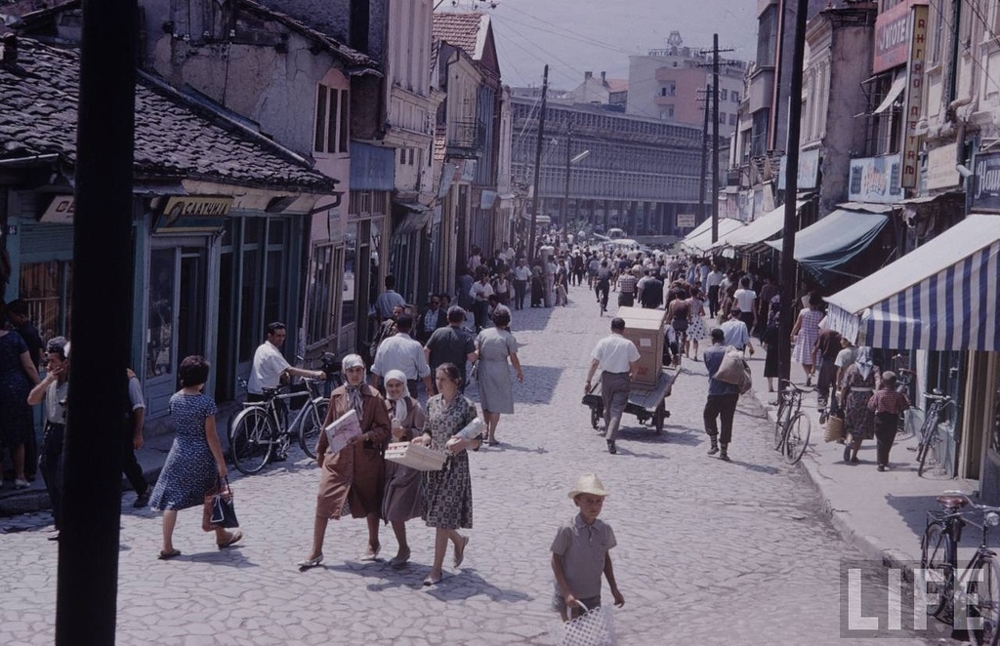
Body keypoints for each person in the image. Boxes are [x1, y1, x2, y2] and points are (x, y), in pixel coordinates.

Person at [298, 354, 392, 568]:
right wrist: (320, 450)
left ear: (364, 371)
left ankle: (373, 542)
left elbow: (384, 428)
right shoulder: (337, 395)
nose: (355, 374)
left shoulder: (375, 397)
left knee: (370, 501)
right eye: (351, 371)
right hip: (338, 458)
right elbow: (328, 424)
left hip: (365, 460)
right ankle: (316, 551)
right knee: (324, 497)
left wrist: (366, 436)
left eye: (359, 370)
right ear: (344, 373)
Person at [148, 355, 241, 559]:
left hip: (179, 451)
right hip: (201, 453)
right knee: (214, 494)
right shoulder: (205, 403)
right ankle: (221, 535)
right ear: (203, 378)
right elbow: (211, 436)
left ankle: (167, 545)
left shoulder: (174, 399)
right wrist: (221, 462)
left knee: (172, 500)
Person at [410, 363, 481, 585]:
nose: (438, 383)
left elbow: (478, 441)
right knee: (437, 514)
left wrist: (466, 443)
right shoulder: (431, 403)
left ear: (455, 381)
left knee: (441, 518)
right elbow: (428, 431)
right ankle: (458, 541)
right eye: (437, 378)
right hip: (433, 465)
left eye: (443, 379)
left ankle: (436, 570)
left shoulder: (467, 406)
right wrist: (424, 439)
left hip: (454, 467)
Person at [551, 473, 624, 622]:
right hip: (570, 597)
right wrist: (566, 592)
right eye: (589, 501)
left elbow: (605, 559)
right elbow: (556, 560)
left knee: (589, 635)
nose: (594, 506)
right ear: (577, 502)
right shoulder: (568, 530)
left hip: (592, 595)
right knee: (571, 634)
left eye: (598, 501)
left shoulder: (604, 530)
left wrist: (614, 589)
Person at [247, 322, 325, 458]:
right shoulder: (272, 353)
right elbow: (290, 369)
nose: (281, 339)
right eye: (278, 336)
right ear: (269, 335)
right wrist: (314, 374)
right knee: (273, 424)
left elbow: (276, 368)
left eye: (283, 336)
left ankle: (250, 448)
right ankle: (272, 454)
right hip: (266, 391)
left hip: (255, 388)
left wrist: (283, 374)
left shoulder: (262, 348)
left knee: (258, 422)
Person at [380, 370, 426, 567]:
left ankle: (455, 539)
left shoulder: (414, 406)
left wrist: (406, 432)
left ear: (404, 385)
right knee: (392, 509)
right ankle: (403, 548)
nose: (394, 389)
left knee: (403, 508)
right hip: (389, 464)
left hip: (408, 466)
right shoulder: (383, 406)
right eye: (390, 386)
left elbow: (424, 433)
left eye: (397, 385)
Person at [28, 338, 68, 535]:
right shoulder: (51, 382)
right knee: (49, 475)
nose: (49, 366)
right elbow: (32, 399)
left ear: (65, 362)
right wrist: (46, 381)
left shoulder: (73, 385)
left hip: (66, 435)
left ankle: (69, 524)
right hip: (51, 432)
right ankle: (60, 523)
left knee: (62, 480)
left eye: (53, 361)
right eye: (47, 361)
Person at [584, 318, 640, 455]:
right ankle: (611, 437)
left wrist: (588, 381)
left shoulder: (603, 342)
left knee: (608, 408)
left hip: (606, 379)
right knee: (616, 411)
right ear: (623, 329)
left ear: (611, 328)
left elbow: (594, 363)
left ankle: (610, 435)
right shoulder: (628, 344)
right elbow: (635, 363)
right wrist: (633, 374)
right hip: (622, 379)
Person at [1, 303, 41, 490]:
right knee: (19, 435)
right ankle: (20, 475)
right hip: (16, 388)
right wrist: (39, 384)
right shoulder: (15, 338)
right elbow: (29, 365)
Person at [474, 309, 523, 446]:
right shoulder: (508, 337)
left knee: (486, 401)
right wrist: (519, 371)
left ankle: (485, 430)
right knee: (496, 403)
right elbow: (513, 358)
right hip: (500, 368)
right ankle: (491, 435)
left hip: (484, 367)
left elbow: (476, 349)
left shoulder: (483, 333)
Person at [371, 314, 433, 398]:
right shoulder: (415, 346)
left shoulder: (385, 343)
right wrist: (430, 390)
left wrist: (374, 392)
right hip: (407, 388)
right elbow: (424, 371)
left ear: (396, 326)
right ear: (411, 328)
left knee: (387, 410)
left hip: (387, 387)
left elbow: (376, 370)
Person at [703, 328, 740, 462]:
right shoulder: (731, 351)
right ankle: (724, 451)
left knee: (708, 415)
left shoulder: (708, 352)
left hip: (715, 391)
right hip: (731, 392)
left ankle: (714, 443)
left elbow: (709, 368)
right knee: (727, 420)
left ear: (713, 338)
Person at [840, 346, 879, 464]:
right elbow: (878, 382)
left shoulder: (852, 368)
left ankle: (848, 442)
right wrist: (876, 395)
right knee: (861, 427)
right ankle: (854, 456)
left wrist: (841, 399)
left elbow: (844, 386)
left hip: (853, 398)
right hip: (867, 398)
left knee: (851, 424)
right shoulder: (874, 368)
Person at [424, 306, 479, 391]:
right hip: (456, 376)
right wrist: (478, 350)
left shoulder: (438, 332)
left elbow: (426, 350)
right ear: (462, 319)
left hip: (439, 375)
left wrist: (428, 369)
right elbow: (472, 358)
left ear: (447, 318)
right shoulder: (466, 337)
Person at [867, 371, 910, 472]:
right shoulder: (897, 395)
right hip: (893, 419)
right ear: (895, 383)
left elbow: (871, 406)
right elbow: (904, 406)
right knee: (889, 440)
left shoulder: (878, 394)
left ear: (882, 381)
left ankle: (881, 462)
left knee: (880, 441)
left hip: (880, 418)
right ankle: (885, 460)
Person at [124, 368, 151, 508]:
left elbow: (139, 408)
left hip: (125, 427)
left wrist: (137, 434)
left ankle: (143, 489)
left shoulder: (131, 380)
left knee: (127, 461)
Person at [791, 293, 825, 386]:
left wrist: (792, 334)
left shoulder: (803, 312)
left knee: (803, 357)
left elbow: (797, 324)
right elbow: (821, 327)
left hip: (804, 335)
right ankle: (810, 373)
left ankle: (808, 374)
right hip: (815, 335)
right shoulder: (820, 314)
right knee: (811, 357)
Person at [812, 325, 842, 407]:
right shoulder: (842, 334)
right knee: (837, 386)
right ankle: (834, 409)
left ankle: (822, 405)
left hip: (826, 362)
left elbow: (814, 351)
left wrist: (813, 367)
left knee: (822, 386)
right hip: (839, 363)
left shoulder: (824, 333)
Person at [761, 298, 781, 393]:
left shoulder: (770, 328)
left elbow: (764, 341)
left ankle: (770, 387)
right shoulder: (783, 329)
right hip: (780, 350)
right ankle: (782, 386)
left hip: (771, 349)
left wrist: (765, 347)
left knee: (769, 369)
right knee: (781, 368)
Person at [685, 288, 707, 361]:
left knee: (687, 337)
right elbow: (703, 313)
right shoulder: (700, 302)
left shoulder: (687, 301)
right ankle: (695, 354)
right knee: (695, 339)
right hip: (696, 319)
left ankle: (687, 354)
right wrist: (698, 314)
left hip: (689, 318)